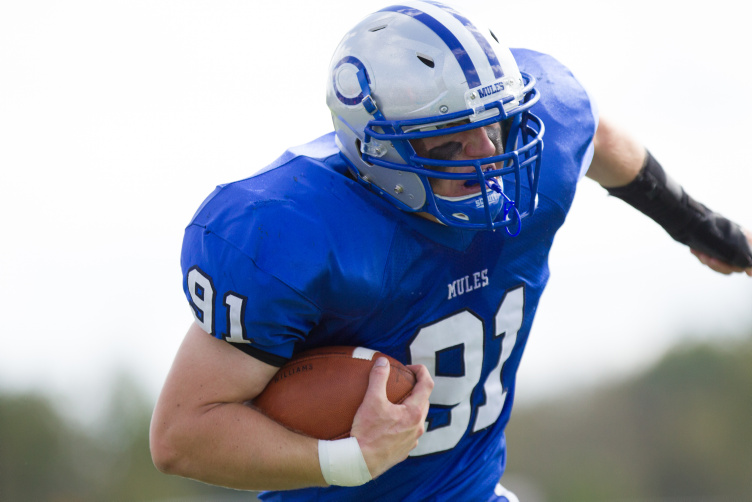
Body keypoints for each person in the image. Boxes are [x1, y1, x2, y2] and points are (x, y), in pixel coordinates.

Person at [149, 1, 752, 500]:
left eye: (492, 125)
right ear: (377, 153)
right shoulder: (294, 233)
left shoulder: (537, 142)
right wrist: (349, 459)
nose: (486, 157)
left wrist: (694, 222)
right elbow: (181, 434)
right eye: (448, 144)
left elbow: (597, 134)